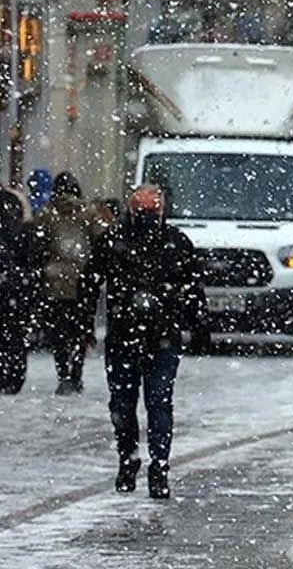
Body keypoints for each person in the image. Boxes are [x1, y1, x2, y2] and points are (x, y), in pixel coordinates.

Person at [79, 185, 205, 499]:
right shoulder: (119, 241)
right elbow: (90, 281)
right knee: (128, 403)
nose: (147, 214)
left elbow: (192, 287)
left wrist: (197, 322)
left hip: (156, 336)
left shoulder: (171, 242)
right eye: (143, 208)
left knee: (153, 402)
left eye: (152, 208)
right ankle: (131, 459)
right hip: (131, 335)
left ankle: (156, 465)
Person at [33, 172, 105, 394]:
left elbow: (37, 244)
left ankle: (63, 373)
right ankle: (77, 372)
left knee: (58, 333)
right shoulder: (89, 213)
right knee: (81, 330)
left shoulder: (47, 214)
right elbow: (102, 241)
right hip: (83, 282)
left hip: (54, 283)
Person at [1, 189, 39, 394]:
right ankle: (13, 375)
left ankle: (10, 374)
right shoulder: (16, 205)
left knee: (11, 332)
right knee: (14, 333)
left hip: (12, 282)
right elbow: (29, 250)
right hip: (16, 285)